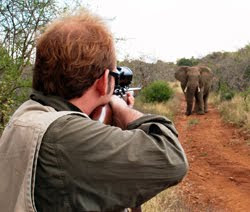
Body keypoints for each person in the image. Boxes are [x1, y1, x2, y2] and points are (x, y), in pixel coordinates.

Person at [0, 10, 188, 212]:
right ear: (104, 81)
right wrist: (121, 107)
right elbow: (172, 158)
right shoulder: (63, 136)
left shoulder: (26, 113)